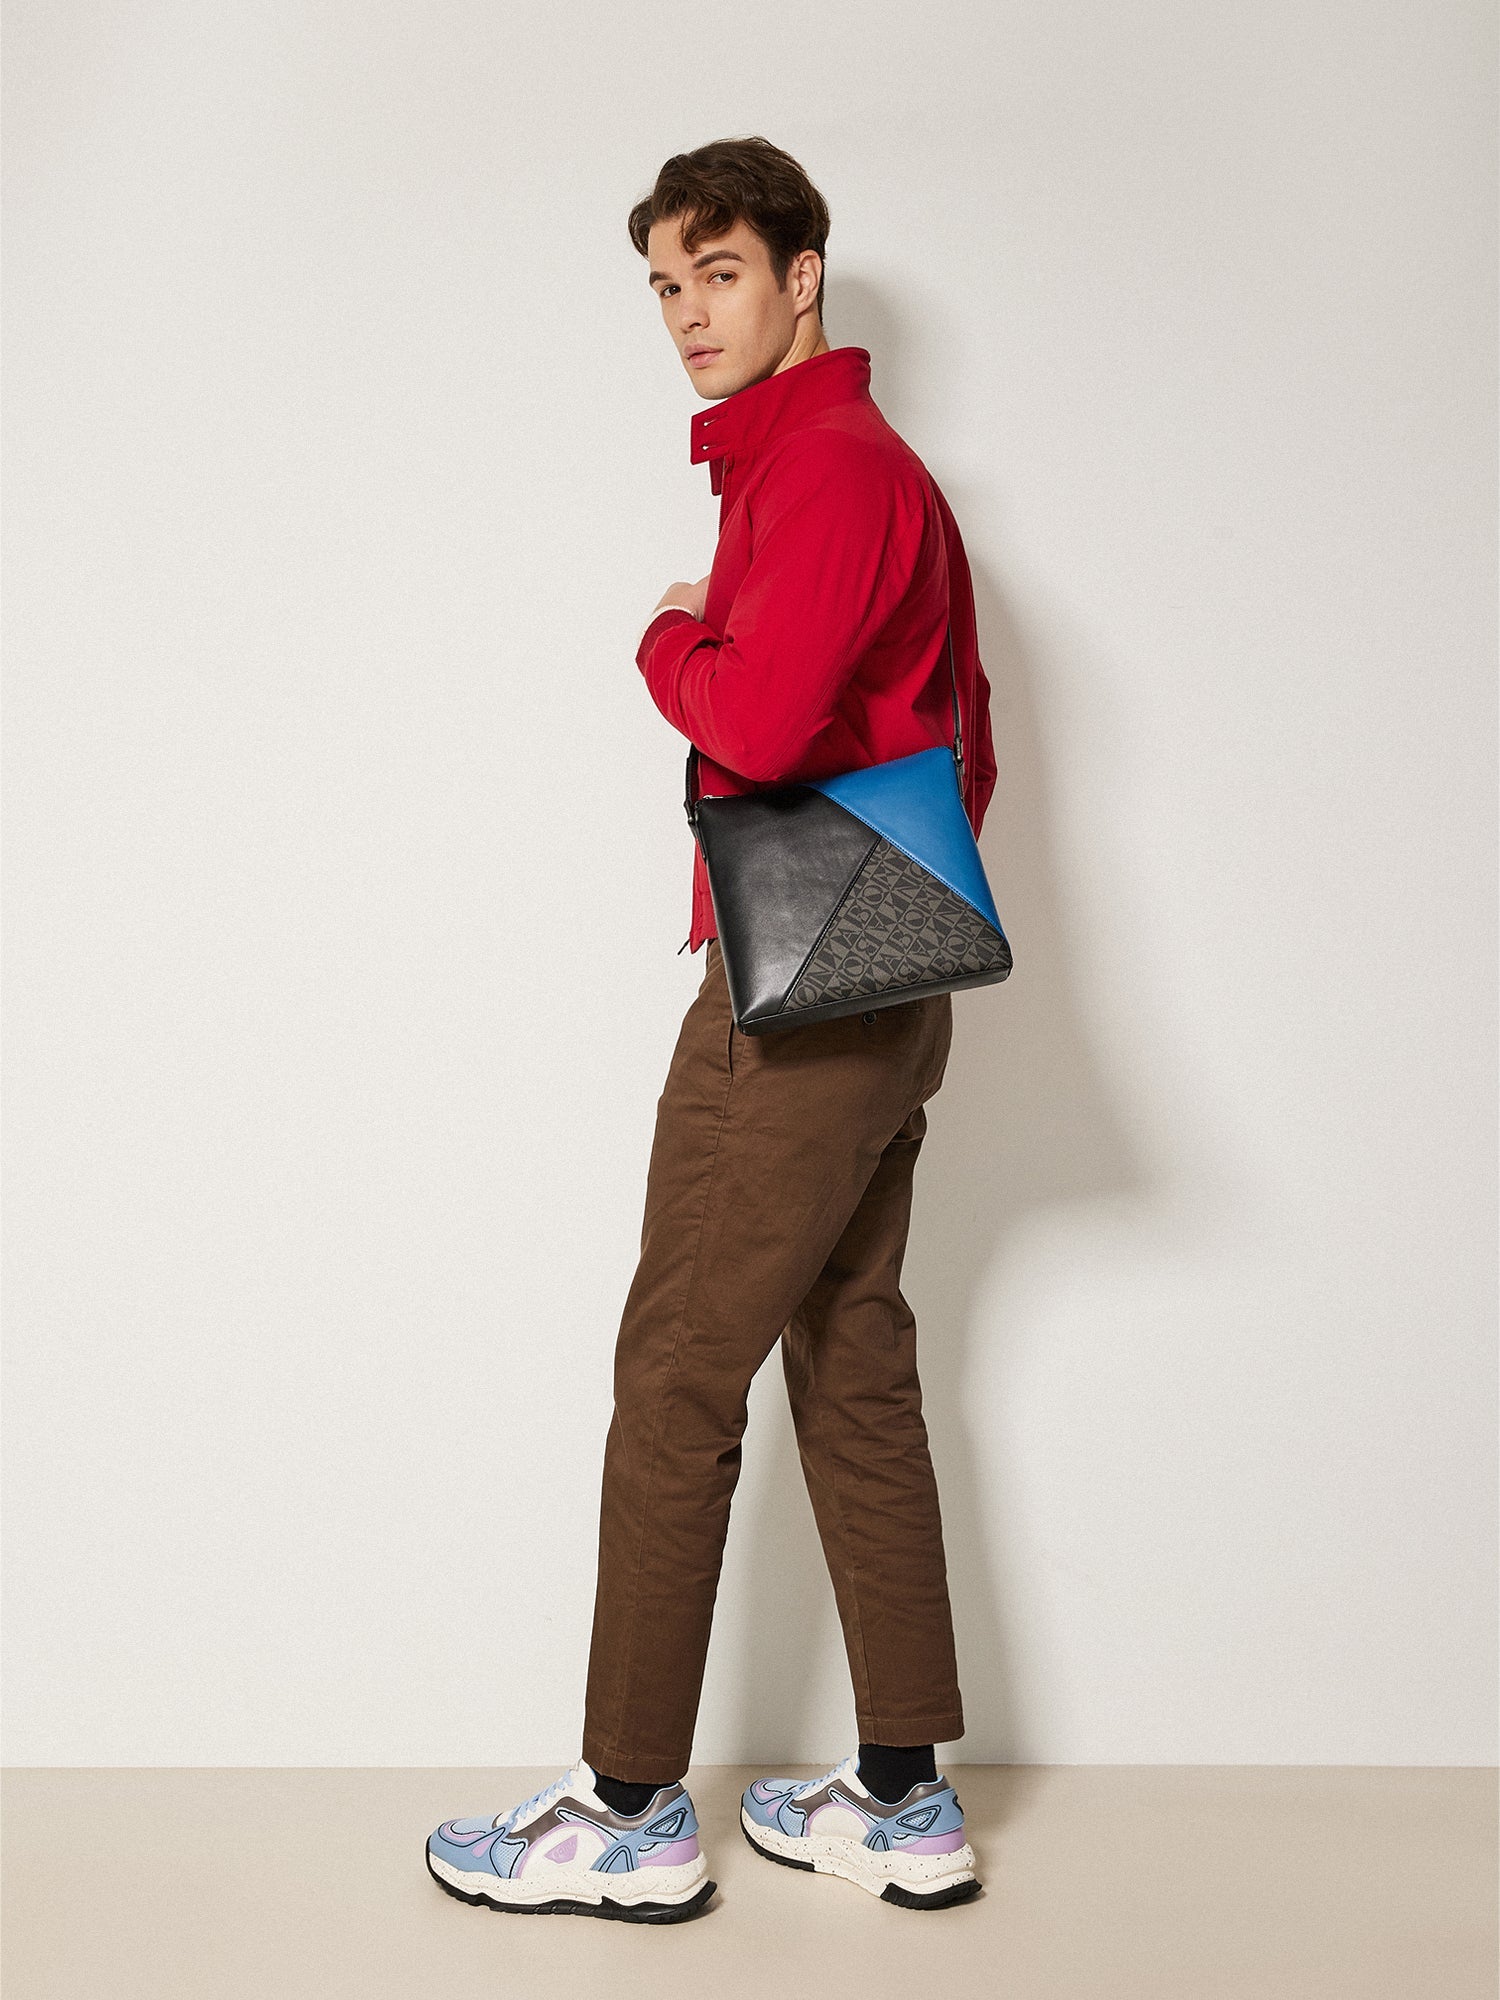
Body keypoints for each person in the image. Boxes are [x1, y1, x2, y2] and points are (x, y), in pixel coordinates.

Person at [426, 135, 998, 1923]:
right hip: (888, 971)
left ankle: (627, 1809)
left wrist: (669, 640)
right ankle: (901, 1797)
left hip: (798, 996)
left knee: (677, 1370)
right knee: (855, 1358)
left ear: (802, 274)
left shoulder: (823, 469)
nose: (687, 313)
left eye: (721, 273)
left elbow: (754, 729)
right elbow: (966, 731)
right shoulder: (848, 471)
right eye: (667, 286)